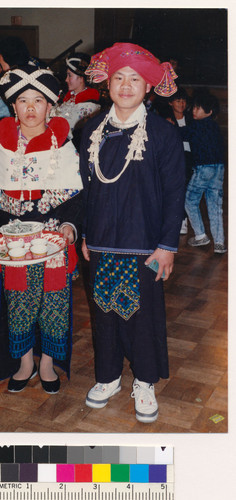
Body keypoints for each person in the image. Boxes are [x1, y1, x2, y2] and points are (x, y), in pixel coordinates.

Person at [79, 42, 186, 423]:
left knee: (143, 314)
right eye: (119, 77)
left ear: (148, 87)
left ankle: (144, 380)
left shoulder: (162, 133)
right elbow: (86, 188)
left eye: (135, 79)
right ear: (108, 82)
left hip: (145, 244)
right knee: (104, 311)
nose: (125, 85)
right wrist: (86, 235)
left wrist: (167, 246)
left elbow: (176, 192)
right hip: (102, 241)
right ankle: (108, 377)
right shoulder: (91, 130)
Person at [0, 65, 83, 394]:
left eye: (38, 100)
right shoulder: (1, 148)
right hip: (14, 246)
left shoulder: (63, 148)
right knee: (18, 305)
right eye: (23, 101)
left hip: (53, 245)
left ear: (51, 106)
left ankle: (47, 363)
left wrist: (68, 225)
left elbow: (76, 198)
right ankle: (24, 363)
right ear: (13, 106)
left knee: (53, 305)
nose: (31, 108)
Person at [180, 89, 227, 253]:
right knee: (215, 206)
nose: (194, 110)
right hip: (219, 169)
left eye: (198, 108)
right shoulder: (215, 127)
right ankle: (219, 243)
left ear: (209, 111)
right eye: (194, 107)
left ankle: (200, 235)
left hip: (203, 169)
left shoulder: (196, 126)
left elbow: (181, 133)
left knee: (190, 201)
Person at [50, 53, 100, 148]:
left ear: (81, 78)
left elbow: (68, 129)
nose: (66, 79)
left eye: (69, 76)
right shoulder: (70, 98)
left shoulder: (89, 105)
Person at [166, 87, 193, 235]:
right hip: (175, 158)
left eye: (183, 101)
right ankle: (180, 219)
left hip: (190, 158)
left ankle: (184, 219)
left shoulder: (191, 118)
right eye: (178, 101)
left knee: (187, 190)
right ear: (171, 103)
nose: (181, 104)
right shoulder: (166, 119)